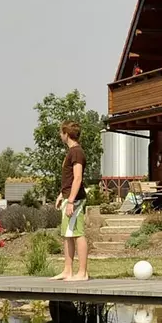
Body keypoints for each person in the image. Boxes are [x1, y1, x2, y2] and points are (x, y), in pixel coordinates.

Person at [51, 120, 89, 281]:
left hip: (75, 200)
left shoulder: (77, 152)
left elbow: (78, 177)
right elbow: (69, 178)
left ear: (66, 134)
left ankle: (82, 272)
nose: (60, 135)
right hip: (68, 196)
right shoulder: (72, 152)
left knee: (77, 234)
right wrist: (62, 195)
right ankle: (68, 270)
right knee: (68, 234)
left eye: (61, 132)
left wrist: (71, 201)